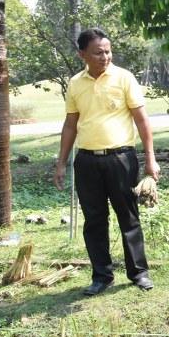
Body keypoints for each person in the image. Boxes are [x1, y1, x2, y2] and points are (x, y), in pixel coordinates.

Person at [54, 28, 160, 295]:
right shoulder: (76, 83)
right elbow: (70, 125)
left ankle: (138, 273)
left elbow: (142, 120)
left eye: (108, 51)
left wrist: (151, 159)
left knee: (128, 216)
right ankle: (102, 276)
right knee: (94, 220)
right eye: (98, 52)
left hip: (120, 159)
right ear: (82, 55)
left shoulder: (124, 78)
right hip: (87, 162)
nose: (105, 56)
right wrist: (61, 162)